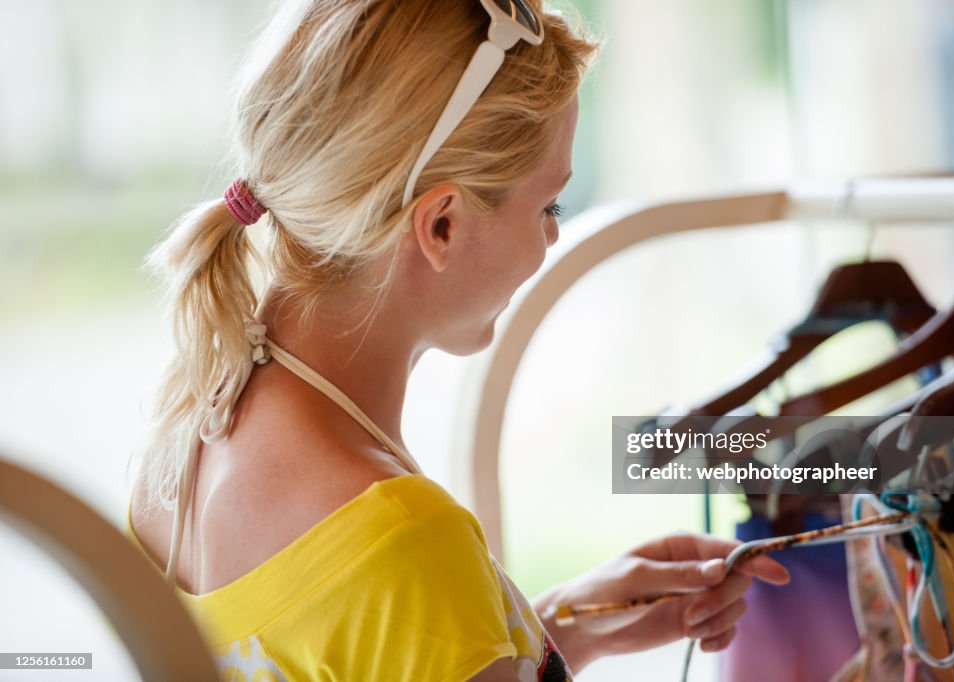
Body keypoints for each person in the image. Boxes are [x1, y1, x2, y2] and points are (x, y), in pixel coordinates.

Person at [124, 1, 790, 680]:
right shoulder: (406, 541)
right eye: (548, 207)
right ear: (440, 225)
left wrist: (544, 630)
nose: (552, 238)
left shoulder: (179, 445)